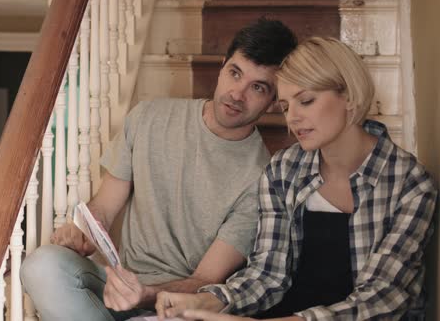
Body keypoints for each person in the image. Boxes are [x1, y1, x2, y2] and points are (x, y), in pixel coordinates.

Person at [20, 18, 297, 321]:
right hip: (117, 282)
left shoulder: (262, 179)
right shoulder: (148, 117)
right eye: (235, 73)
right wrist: (82, 235)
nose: (237, 94)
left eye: (257, 87)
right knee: (42, 265)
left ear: (273, 101)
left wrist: (146, 295)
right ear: (222, 67)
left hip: (176, 306)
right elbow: (103, 207)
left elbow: (205, 281)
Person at [155, 37, 438, 321]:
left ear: (350, 96)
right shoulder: (283, 169)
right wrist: (205, 303)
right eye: (286, 106)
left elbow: (381, 298)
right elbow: (267, 274)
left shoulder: (409, 185)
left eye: (306, 101)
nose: (293, 118)